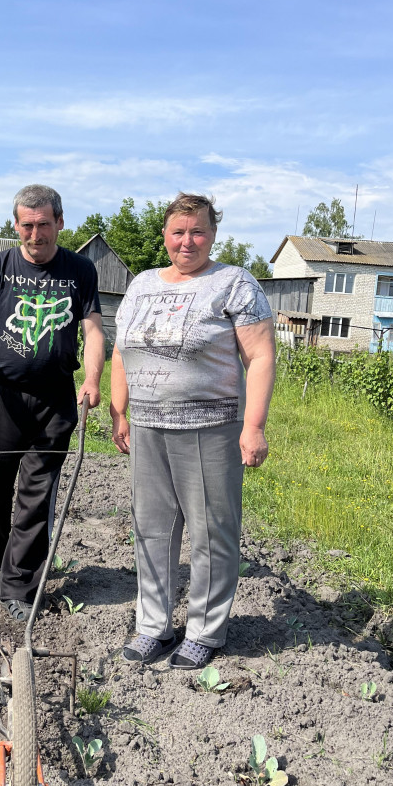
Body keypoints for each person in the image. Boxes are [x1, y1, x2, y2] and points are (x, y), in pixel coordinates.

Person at [110, 192, 275, 669]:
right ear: (165, 236)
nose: (188, 241)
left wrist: (254, 425)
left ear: (213, 234)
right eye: (178, 232)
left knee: (210, 532)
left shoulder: (234, 284)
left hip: (211, 428)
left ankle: (205, 630)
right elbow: (122, 352)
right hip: (147, 428)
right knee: (151, 530)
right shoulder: (141, 285)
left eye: (197, 231)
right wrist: (120, 411)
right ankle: (154, 626)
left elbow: (261, 356)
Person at [0, 184, 105, 621]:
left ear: (60, 222)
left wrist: (92, 379)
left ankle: (19, 586)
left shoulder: (80, 270)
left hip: (54, 399)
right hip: (2, 398)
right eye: (28, 226)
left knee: (38, 495)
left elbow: (92, 330)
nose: (36, 234)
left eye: (45, 224)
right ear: (16, 225)